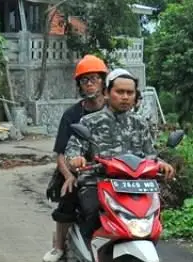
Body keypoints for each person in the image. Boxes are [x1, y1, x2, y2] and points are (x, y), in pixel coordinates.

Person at [64, 68, 175, 235]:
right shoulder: (89, 121)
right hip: (98, 182)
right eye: (120, 92)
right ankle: (87, 245)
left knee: (154, 218)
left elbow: (150, 154)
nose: (125, 97)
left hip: (136, 185)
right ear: (106, 93)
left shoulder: (140, 123)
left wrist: (161, 163)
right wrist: (75, 159)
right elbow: (73, 148)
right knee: (92, 213)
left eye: (130, 93)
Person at [43, 54, 109, 262]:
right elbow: (61, 153)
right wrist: (69, 175)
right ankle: (59, 246)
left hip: (111, 169)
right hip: (79, 169)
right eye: (84, 80)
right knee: (68, 195)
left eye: (94, 78)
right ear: (79, 85)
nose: (89, 84)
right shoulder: (72, 115)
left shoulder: (113, 110)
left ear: (103, 81)